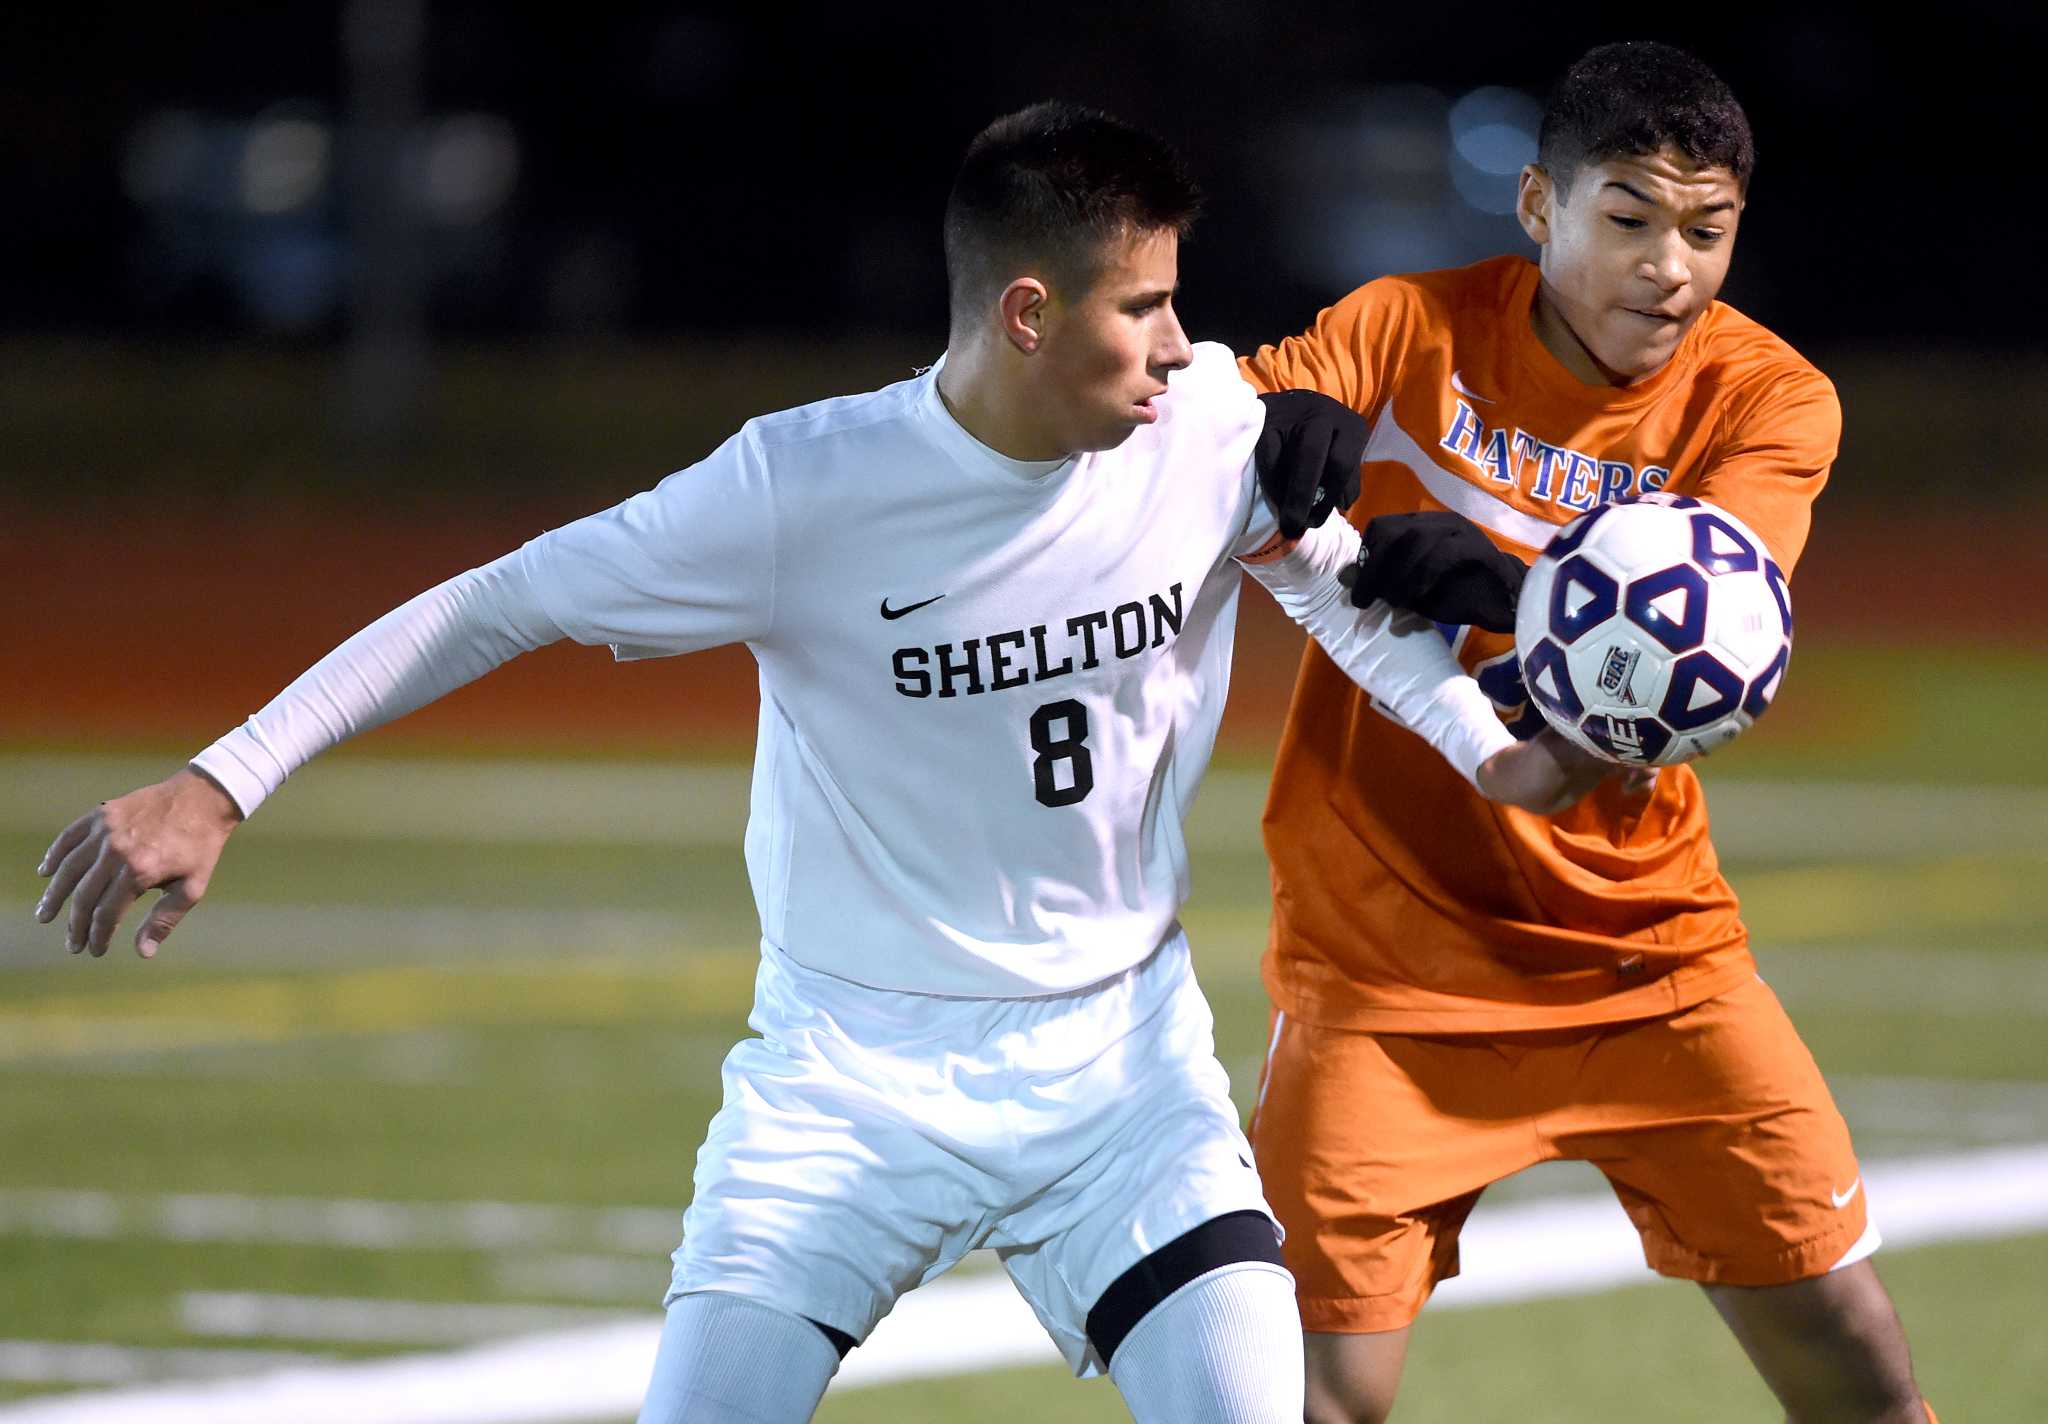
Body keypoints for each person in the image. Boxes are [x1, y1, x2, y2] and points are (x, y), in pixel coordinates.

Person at [33, 102, 1598, 1424]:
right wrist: (225, 776)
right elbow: (500, 600)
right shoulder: (800, 489)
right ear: (1028, 313)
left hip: (1123, 1079)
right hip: (851, 1083)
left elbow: (1348, 600)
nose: (1180, 345)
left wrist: (1497, 748)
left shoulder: (1203, 430)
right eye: (1145, 309)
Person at [1238, 42, 1937, 1424]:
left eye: (1706, 229)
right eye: (1628, 218)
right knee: (1311, 1406)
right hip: (1383, 969)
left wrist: (1513, 593)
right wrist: (1256, 422)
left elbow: (1708, 655)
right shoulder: (1406, 325)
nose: (1669, 266)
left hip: (1648, 960)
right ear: (1539, 208)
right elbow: (1216, 441)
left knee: (1859, 1375)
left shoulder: (1771, 401)